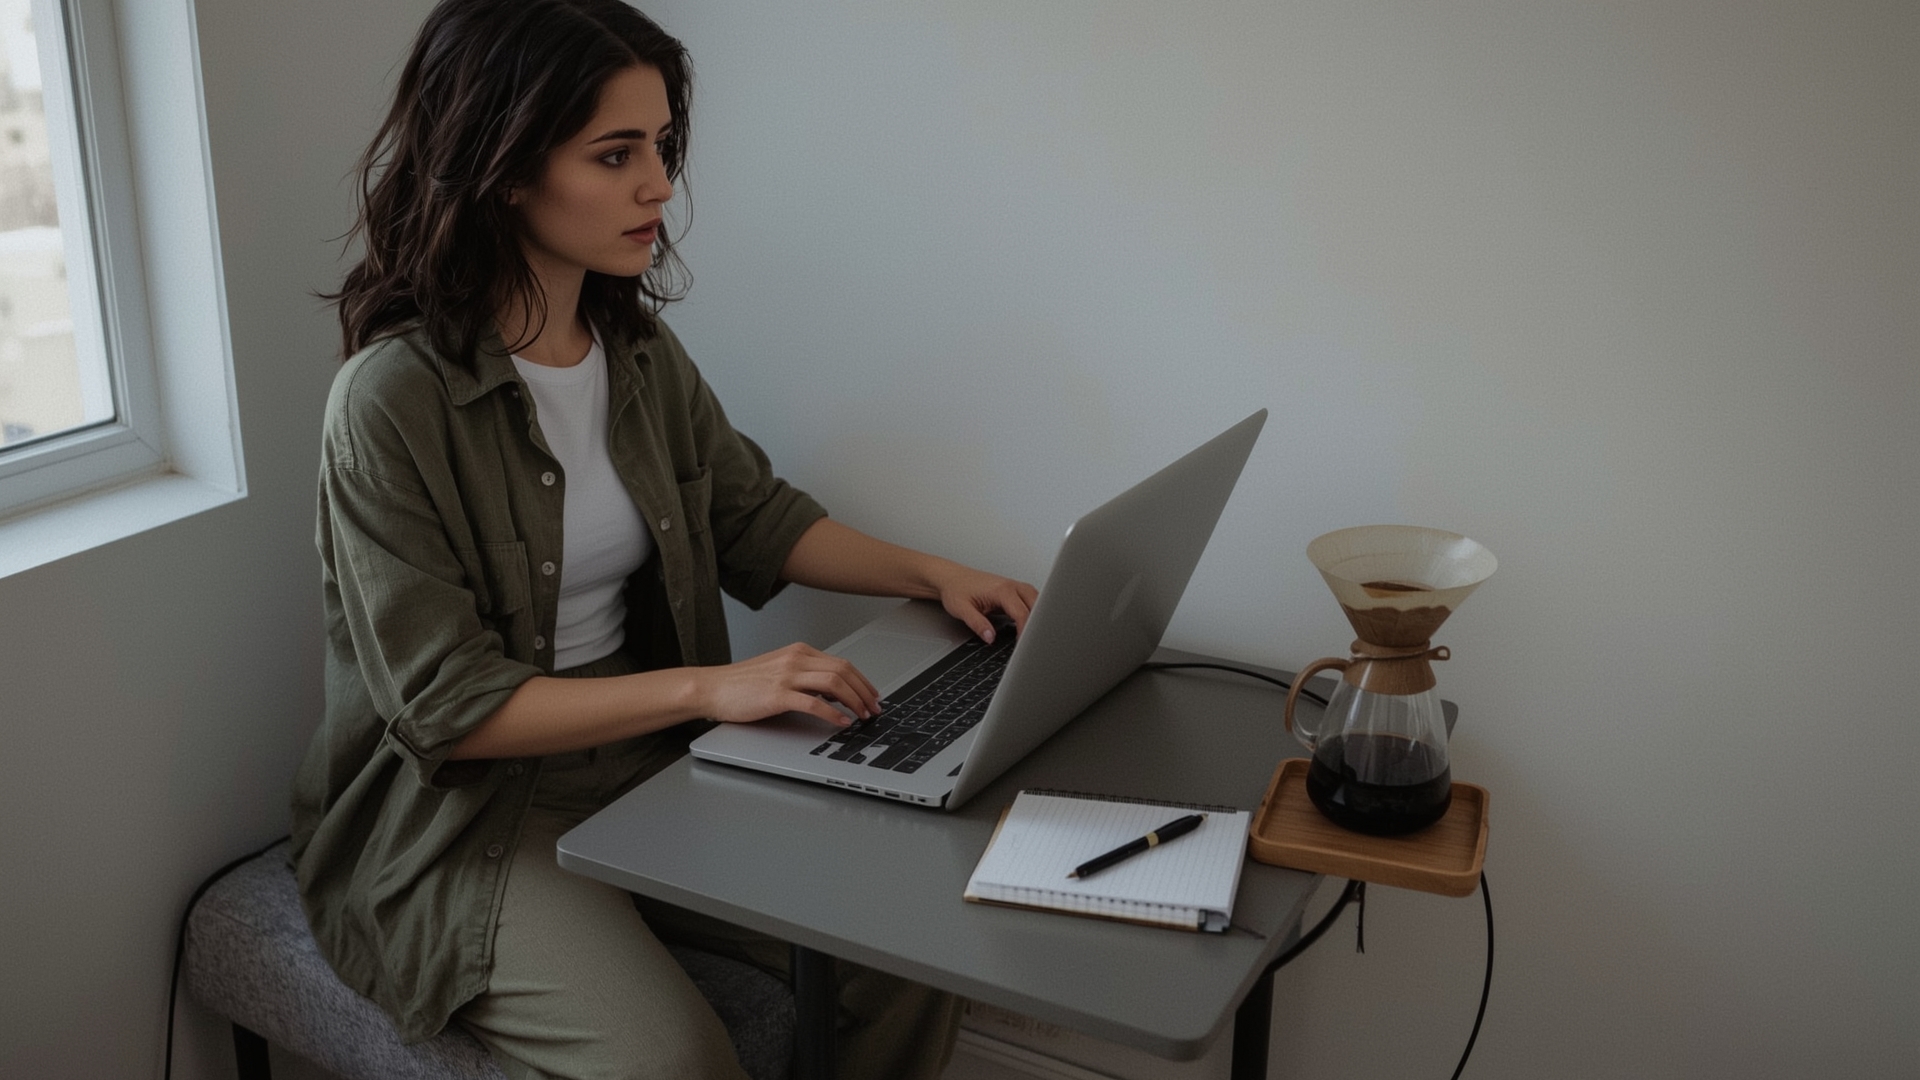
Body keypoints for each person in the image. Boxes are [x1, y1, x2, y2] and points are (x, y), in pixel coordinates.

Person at [288, 2, 1038, 1078]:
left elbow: (754, 517)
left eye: (662, 147)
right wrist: (707, 690)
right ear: (503, 168)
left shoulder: (635, 351)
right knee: (671, 1062)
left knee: (912, 953)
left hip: (651, 769)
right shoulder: (388, 403)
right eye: (617, 153)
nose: (660, 185)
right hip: (470, 820)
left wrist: (936, 574)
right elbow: (447, 710)